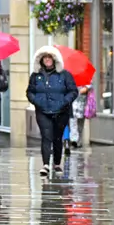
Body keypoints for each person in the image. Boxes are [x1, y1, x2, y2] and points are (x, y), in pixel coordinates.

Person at [27, 45, 78, 176]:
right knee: (46, 136)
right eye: (45, 57)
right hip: (43, 111)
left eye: (50, 57)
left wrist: (64, 102)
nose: (48, 59)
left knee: (57, 138)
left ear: (55, 59)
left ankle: (56, 163)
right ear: (41, 59)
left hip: (61, 112)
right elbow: (30, 92)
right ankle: (45, 164)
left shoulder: (65, 75)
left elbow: (73, 91)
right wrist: (38, 102)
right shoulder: (36, 76)